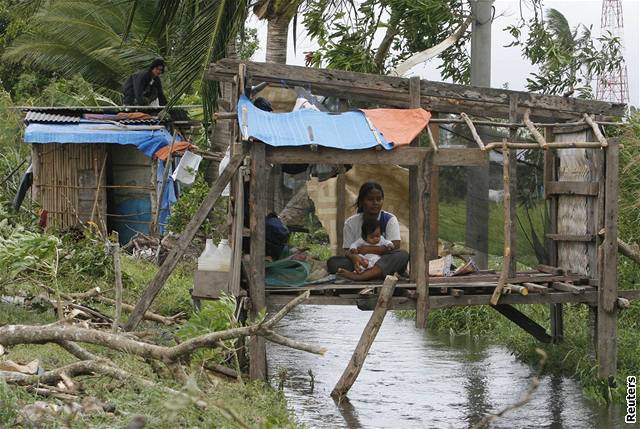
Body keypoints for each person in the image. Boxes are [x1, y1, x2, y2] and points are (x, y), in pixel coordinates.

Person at [327, 182, 409, 281]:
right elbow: (347, 250)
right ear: (361, 201)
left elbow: (395, 246)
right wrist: (355, 258)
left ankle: (360, 276)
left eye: (379, 199)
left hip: (382, 260)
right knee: (332, 263)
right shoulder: (351, 223)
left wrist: (366, 249)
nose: (375, 203)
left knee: (402, 255)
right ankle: (375, 275)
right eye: (370, 199)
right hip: (361, 262)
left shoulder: (389, 219)